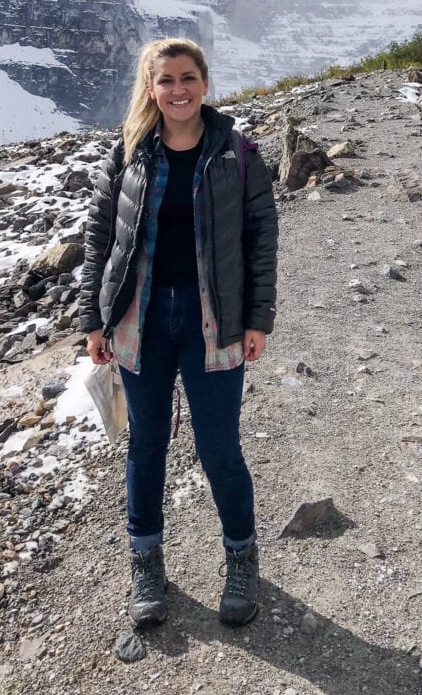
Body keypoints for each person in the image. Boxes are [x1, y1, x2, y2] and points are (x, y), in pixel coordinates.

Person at [79, 38, 278, 628]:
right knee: (145, 445)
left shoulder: (238, 154)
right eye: (165, 80)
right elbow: (99, 240)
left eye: (188, 77)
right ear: (151, 88)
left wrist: (258, 321)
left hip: (213, 319)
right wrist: (94, 319)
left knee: (219, 446)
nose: (179, 90)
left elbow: (260, 243)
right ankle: (146, 563)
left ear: (205, 83)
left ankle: (241, 558)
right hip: (140, 320)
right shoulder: (128, 153)